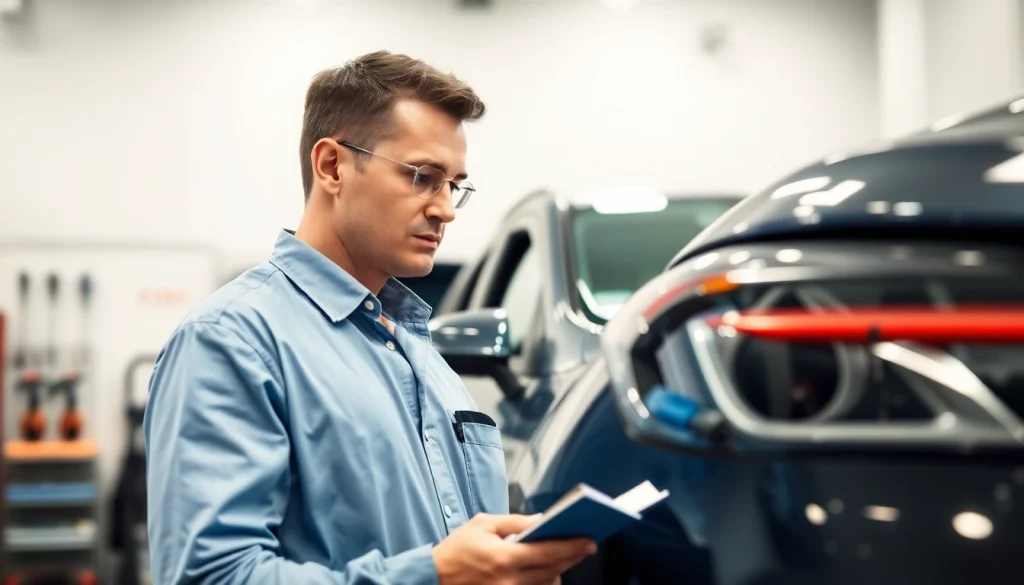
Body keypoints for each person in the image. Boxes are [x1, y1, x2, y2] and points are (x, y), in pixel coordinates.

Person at [143, 50, 596, 584]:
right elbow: (210, 576)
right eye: (423, 176)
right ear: (332, 166)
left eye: (454, 184)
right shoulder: (230, 343)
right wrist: (436, 576)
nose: (446, 207)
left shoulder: (422, 357)